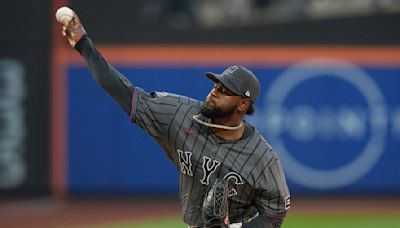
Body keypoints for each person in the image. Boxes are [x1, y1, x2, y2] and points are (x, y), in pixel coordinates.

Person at [58, 9, 290, 228]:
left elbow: (276, 211)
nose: (214, 92)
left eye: (224, 90)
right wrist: (82, 42)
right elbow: (121, 91)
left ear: (243, 104)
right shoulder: (180, 115)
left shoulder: (262, 158)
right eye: (215, 85)